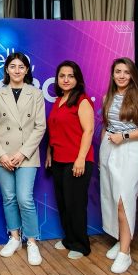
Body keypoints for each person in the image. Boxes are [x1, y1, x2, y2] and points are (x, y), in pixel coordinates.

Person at [0, 52, 47, 265]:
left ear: (27, 70)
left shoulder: (36, 94)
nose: (17, 70)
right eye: (13, 66)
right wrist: (1, 154)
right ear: (7, 69)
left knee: (24, 198)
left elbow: (40, 126)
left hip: (27, 155)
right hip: (3, 155)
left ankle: (31, 241)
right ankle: (14, 237)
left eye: (21, 67)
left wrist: (22, 153)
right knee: (9, 198)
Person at [99, 57, 138, 274]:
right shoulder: (108, 97)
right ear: (112, 74)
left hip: (130, 149)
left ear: (132, 75)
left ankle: (125, 253)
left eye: (126, 72)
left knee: (124, 200)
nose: (122, 76)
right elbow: (106, 126)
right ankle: (121, 239)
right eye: (118, 72)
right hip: (109, 148)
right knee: (112, 198)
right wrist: (102, 156)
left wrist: (124, 136)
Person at [47, 61, 95, 260]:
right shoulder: (58, 100)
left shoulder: (82, 101)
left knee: (75, 204)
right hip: (59, 159)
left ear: (77, 79)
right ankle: (69, 239)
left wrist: (81, 158)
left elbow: (89, 131)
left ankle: (81, 245)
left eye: (70, 76)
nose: (66, 79)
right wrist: (49, 153)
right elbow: (54, 130)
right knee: (64, 202)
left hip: (77, 160)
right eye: (62, 76)